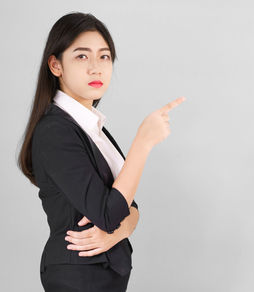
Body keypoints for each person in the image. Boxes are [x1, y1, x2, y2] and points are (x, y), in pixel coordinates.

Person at [17, 11, 185, 292]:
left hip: (103, 275)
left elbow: (129, 207)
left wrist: (121, 229)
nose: (96, 67)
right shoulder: (55, 130)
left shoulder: (92, 127)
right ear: (56, 65)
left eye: (104, 56)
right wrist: (142, 142)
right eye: (82, 56)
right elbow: (110, 213)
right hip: (78, 277)